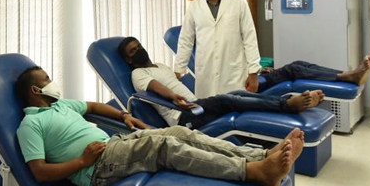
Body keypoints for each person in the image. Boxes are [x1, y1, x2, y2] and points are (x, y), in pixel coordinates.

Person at [15, 65, 302, 186]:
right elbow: (39, 171)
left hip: (114, 145)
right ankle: (254, 172)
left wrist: (124, 114)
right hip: (97, 169)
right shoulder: (31, 124)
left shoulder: (61, 105)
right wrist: (82, 161)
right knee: (164, 147)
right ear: (35, 89)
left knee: (180, 134)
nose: (53, 81)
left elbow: (92, 107)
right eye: (48, 79)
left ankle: (259, 154)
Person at [118, 37, 325, 129]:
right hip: (183, 116)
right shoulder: (138, 73)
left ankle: (284, 102)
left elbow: (177, 78)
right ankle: (287, 106)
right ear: (128, 60)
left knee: (238, 94)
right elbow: (156, 87)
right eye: (133, 51)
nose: (139, 51)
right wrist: (173, 97)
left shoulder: (161, 66)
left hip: (196, 104)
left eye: (139, 46)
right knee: (228, 99)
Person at [175, 0, 261, 97]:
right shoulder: (194, 7)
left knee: (235, 110)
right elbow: (186, 39)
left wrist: (253, 72)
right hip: (206, 71)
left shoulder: (239, 3)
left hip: (234, 72)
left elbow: (250, 38)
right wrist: (178, 69)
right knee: (209, 111)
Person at [258, 58, 370, 91]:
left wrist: (261, 70)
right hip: (255, 84)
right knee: (292, 69)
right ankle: (346, 77)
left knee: (298, 63)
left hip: (259, 77)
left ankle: (346, 74)